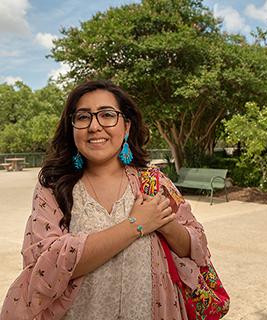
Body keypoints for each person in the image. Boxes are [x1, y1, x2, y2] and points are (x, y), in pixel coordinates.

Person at [1, 80, 212, 320]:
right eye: (83, 117)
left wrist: (164, 223)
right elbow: (45, 267)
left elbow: (196, 246)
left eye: (107, 115)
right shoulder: (54, 188)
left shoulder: (154, 182)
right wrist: (136, 224)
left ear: (127, 126)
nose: (94, 126)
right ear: (72, 127)